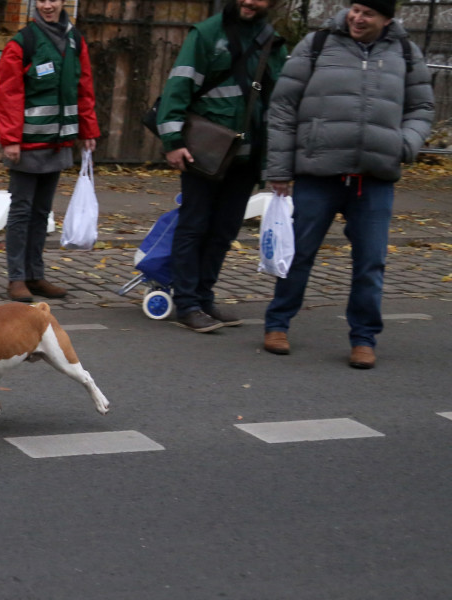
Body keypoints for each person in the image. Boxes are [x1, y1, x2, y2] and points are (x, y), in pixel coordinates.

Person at [263, 0, 433, 369]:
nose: (358, 18)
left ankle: (364, 338)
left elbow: (422, 108)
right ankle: (277, 325)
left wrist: (404, 145)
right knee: (298, 255)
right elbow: (282, 107)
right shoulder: (318, 44)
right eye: (355, 9)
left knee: (371, 261)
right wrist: (278, 169)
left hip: (374, 178)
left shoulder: (406, 51)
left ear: (387, 19)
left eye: (369, 13)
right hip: (317, 173)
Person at [155, 0, 286, 332]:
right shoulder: (206, 34)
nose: (249, 1)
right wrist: (173, 142)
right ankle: (186, 304)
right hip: (204, 152)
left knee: (224, 231)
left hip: (247, 157)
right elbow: (178, 87)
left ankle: (204, 297)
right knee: (194, 226)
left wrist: (275, 159)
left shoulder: (273, 41)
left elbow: (280, 102)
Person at [0, 0, 99, 303]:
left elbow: (84, 88)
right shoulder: (22, 43)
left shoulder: (75, 40)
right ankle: (16, 279)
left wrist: (88, 130)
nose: (48, 5)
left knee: (42, 213)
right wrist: (11, 140)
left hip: (58, 143)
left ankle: (35, 275)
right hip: (27, 144)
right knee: (21, 212)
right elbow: (8, 94)